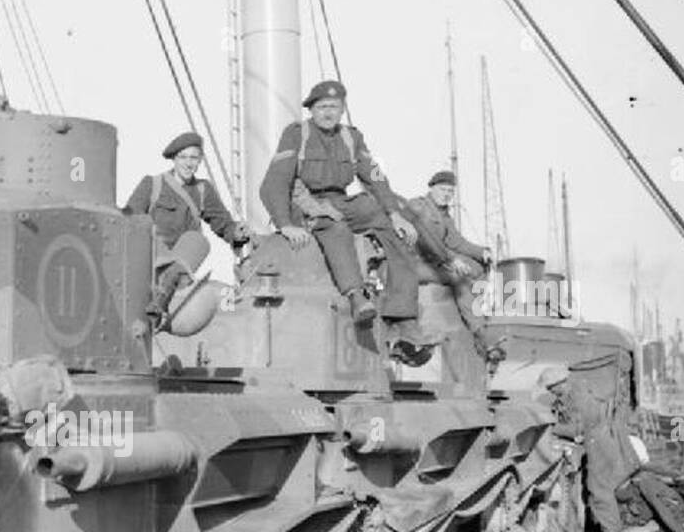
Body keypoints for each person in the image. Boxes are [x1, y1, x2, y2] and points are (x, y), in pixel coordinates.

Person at [258, 79, 434, 364]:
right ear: (312, 110)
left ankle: (403, 317)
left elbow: (374, 177)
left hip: (340, 199)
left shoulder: (352, 137)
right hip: (307, 205)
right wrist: (284, 223)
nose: (328, 113)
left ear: (342, 111)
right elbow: (273, 183)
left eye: (335, 107)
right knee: (335, 226)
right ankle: (355, 296)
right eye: (323, 107)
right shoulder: (296, 135)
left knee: (390, 224)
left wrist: (395, 213)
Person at [123, 131, 250, 328]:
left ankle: (160, 304)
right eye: (183, 157)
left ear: (200, 160)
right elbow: (131, 219)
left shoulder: (203, 189)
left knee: (196, 241)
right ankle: (160, 300)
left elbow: (221, 222)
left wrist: (236, 233)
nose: (188, 163)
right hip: (153, 255)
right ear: (174, 159)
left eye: (194, 157)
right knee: (152, 239)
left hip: (185, 258)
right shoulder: (152, 184)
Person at [401, 171, 505, 365]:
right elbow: (425, 240)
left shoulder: (443, 214)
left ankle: (474, 313)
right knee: (459, 279)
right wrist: (450, 260)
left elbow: (456, 241)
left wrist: (481, 252)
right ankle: (480, 333)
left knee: (479, 269)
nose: (446, 194)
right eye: (442, 189)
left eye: (450, 191)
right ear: (431, 188)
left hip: (434, 261)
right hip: (413, 263)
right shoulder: (419, 206)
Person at [539, 364, 634, 532]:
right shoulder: (568, 396)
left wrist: (549, 427)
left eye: (551, 388)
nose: (550, 392)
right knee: (598, 491)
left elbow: (579, 429)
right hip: (594, 444)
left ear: (560, 383)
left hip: (599, 445)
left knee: (600, 491)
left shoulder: (579, 396)